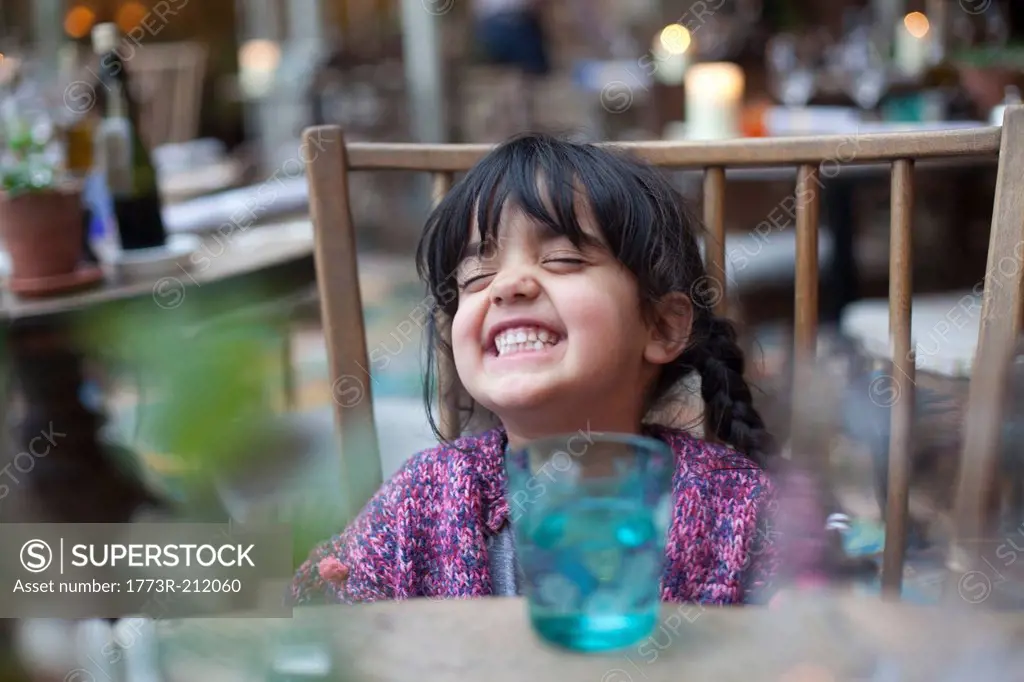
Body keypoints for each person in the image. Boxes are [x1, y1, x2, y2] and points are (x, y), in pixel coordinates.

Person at [291, 134, 829, 605]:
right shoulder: (424, 498)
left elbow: (816, 646)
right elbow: (319, 629)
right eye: (477, 275)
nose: (509, 284)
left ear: (663, 327)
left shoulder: (739, 506)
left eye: (563, 260)